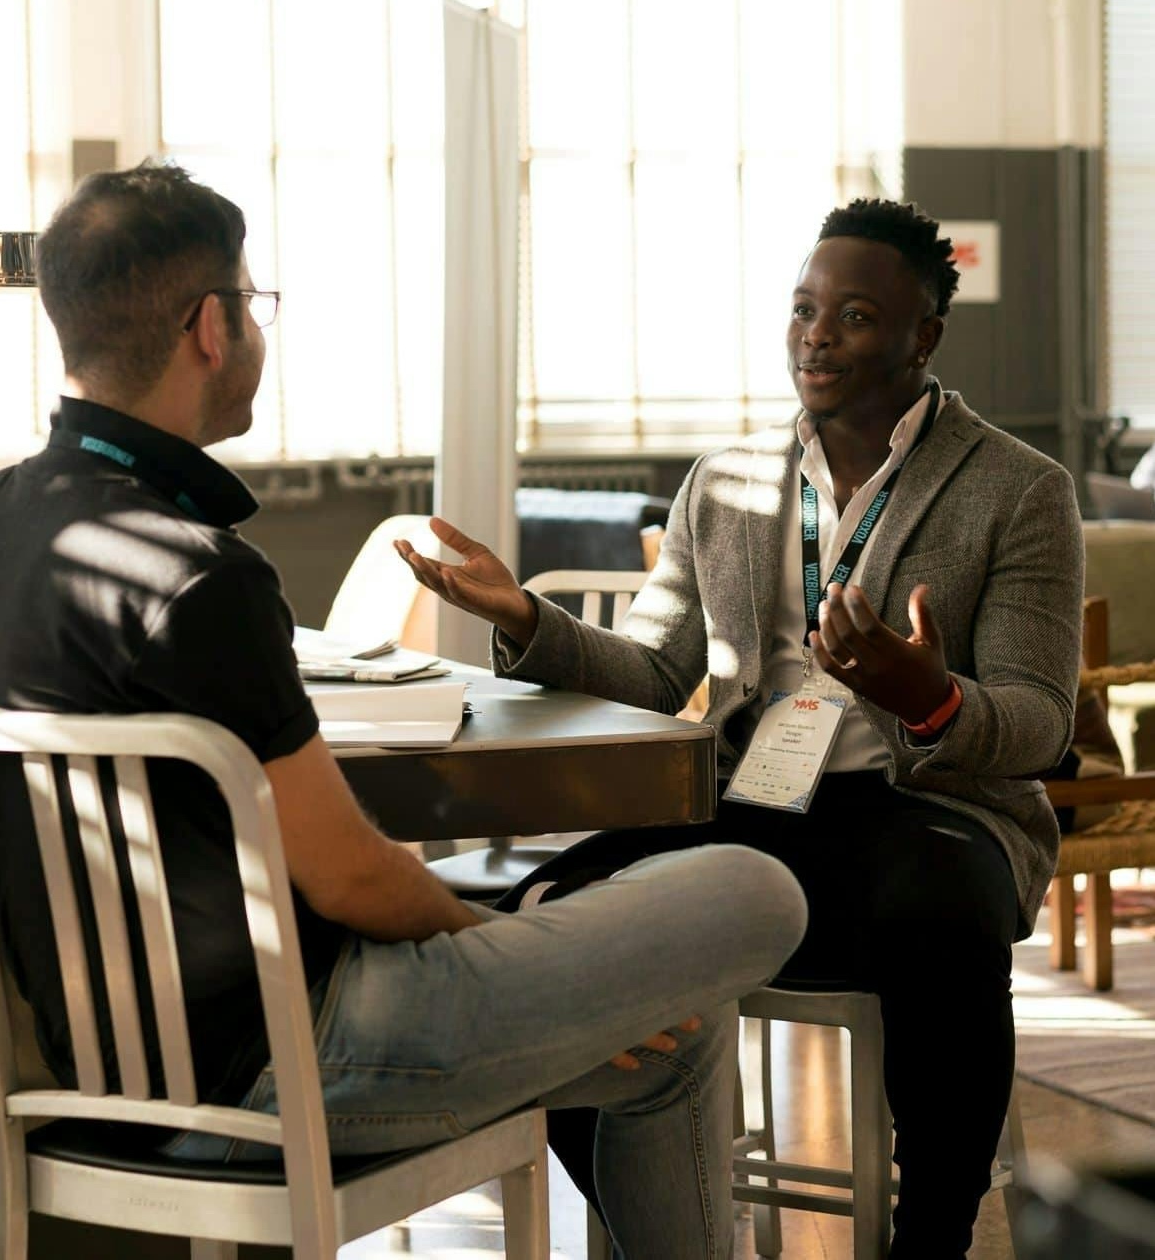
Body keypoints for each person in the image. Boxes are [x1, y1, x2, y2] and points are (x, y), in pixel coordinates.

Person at [0, 161, 807, 1259]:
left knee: (674, 1035)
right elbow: (344, 873)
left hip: (96, 1079)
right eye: (253, 304)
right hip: (296, 1064)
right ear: (211, 325)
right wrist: (501, 941)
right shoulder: (205, 575)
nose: (255, 330)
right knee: (752, 885)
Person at [397, 198, 1085, 1259]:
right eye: (803, 309)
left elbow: (1039, 723)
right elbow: (658, 670)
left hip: (932, 809)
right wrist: (528, 619)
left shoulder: (1017, 489)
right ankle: (652, 1224)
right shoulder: (722, 483)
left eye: (853, 315)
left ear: (923, 338)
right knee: (560, 909)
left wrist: (926, 698)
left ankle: (932, 1237)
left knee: (941, 916)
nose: (816, 335)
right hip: (755, 801)